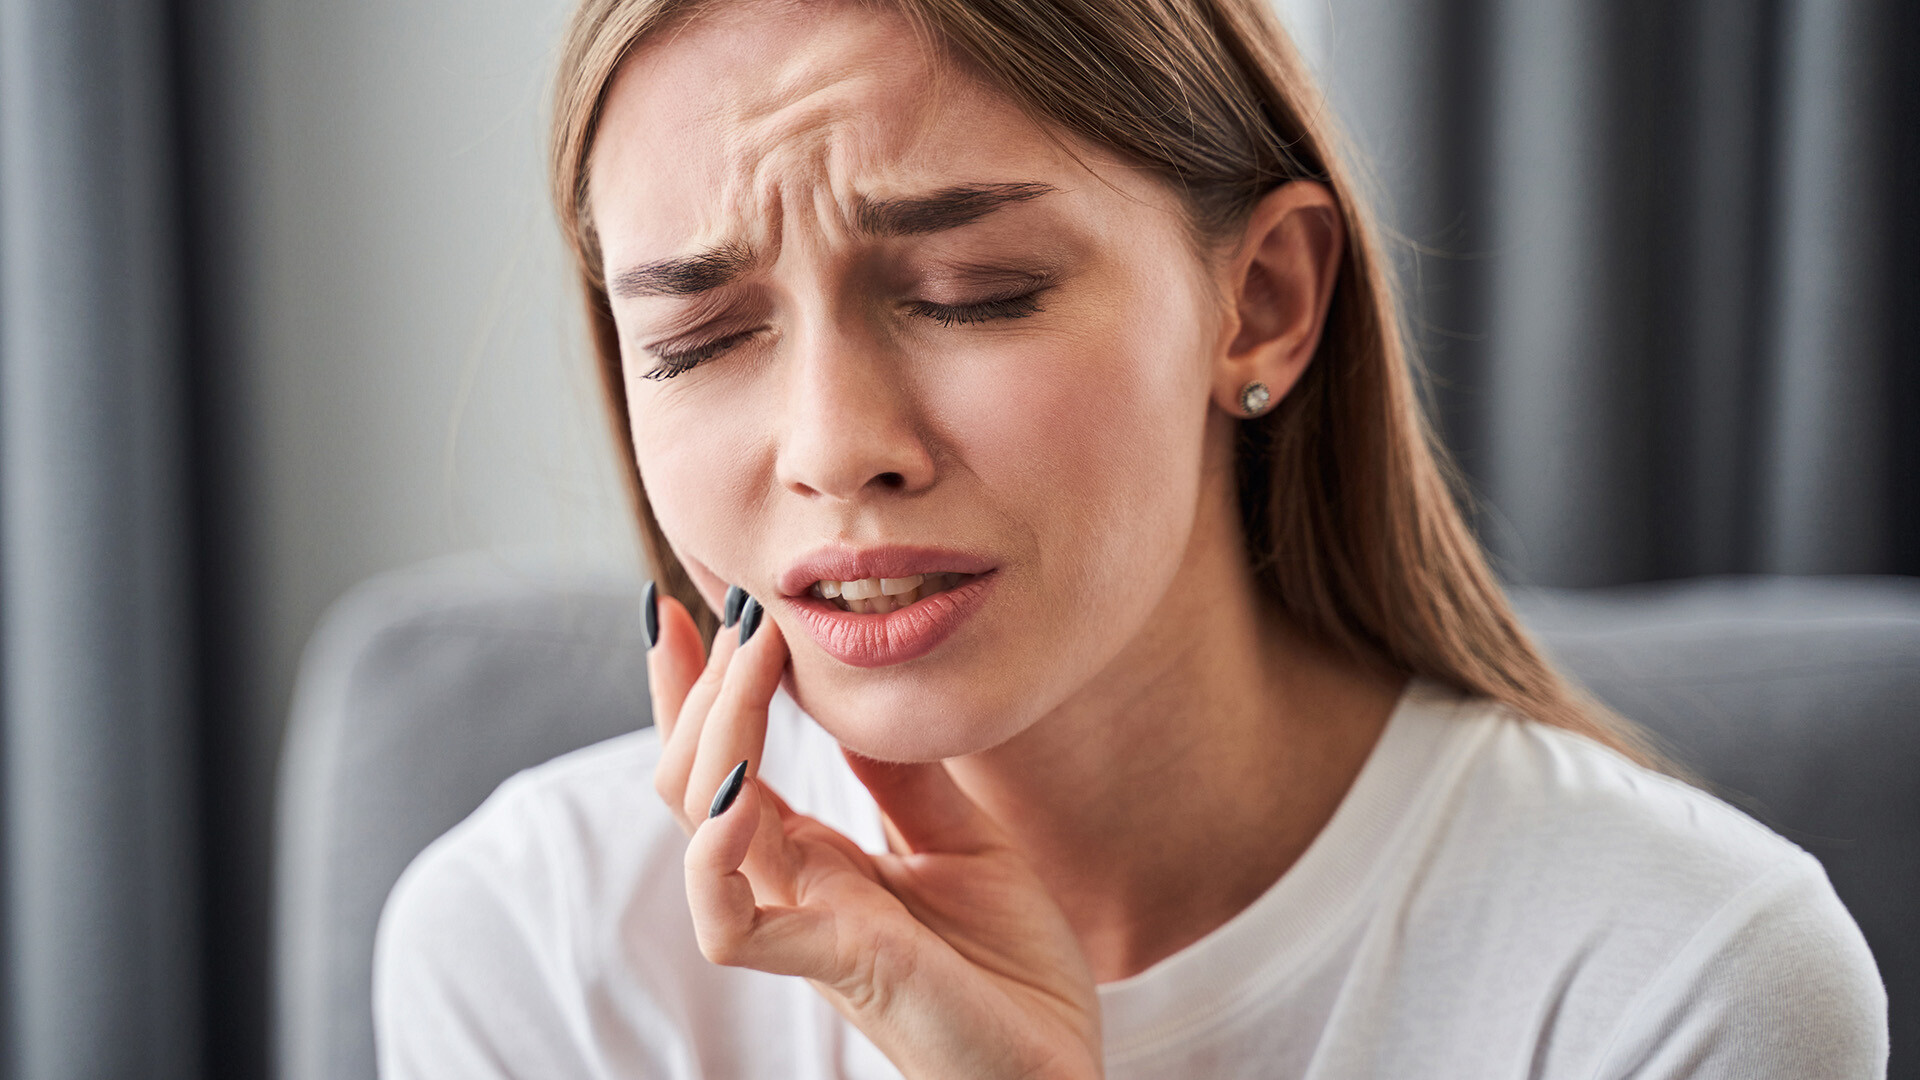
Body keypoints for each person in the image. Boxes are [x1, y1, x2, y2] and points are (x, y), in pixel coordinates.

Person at [372, 0, 1889, 1075]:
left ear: (1265, 301)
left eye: (971, 292)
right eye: (701, 337)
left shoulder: (1685, 983)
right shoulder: (538, 947)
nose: (834, 448)